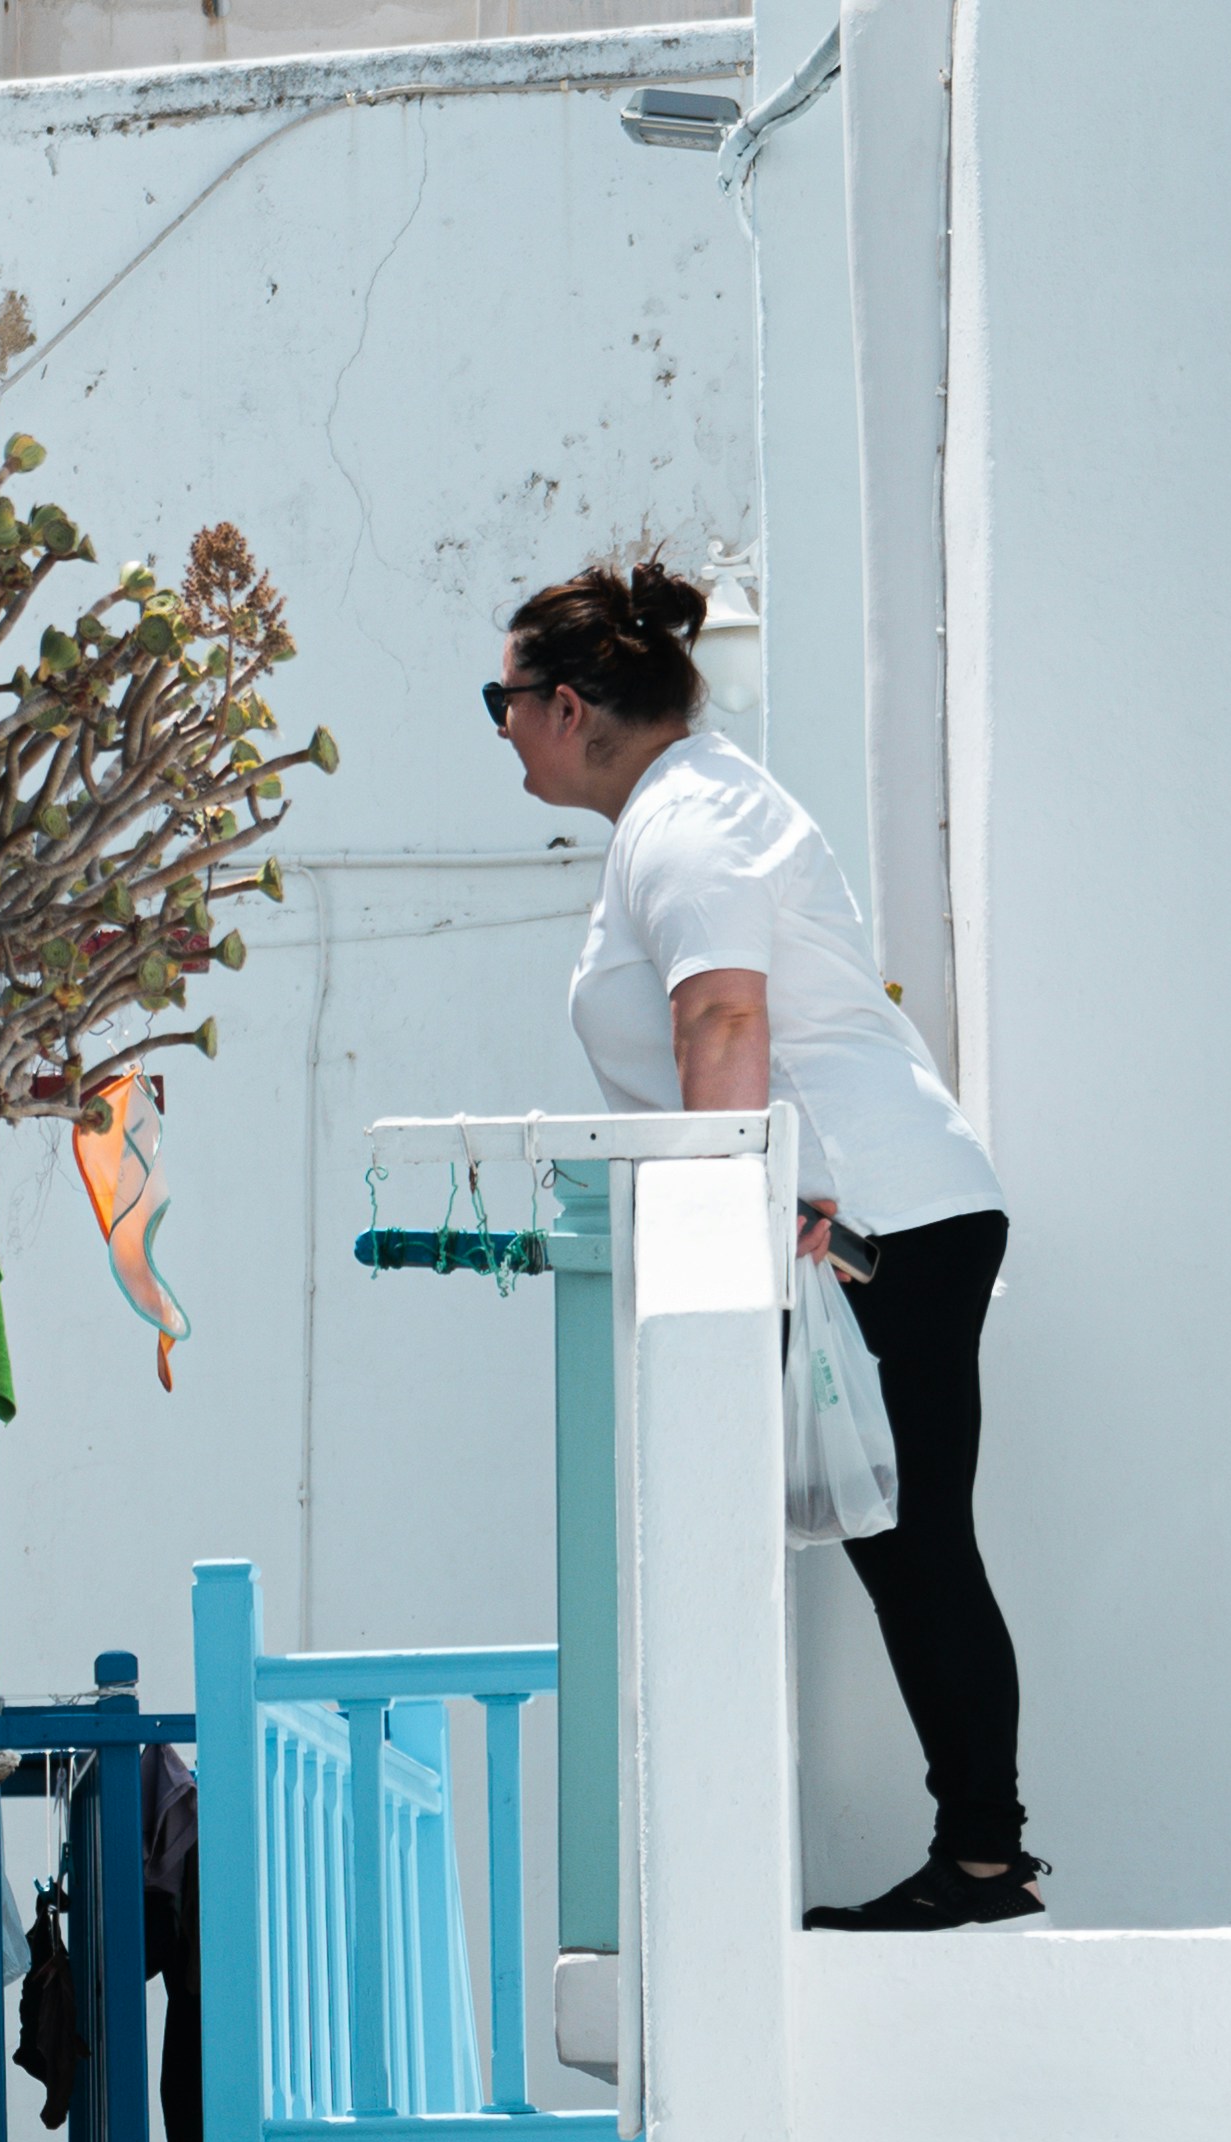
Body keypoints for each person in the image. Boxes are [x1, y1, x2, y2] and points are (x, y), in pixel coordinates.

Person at [490, 554, 1040, 1931]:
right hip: (870, 1210)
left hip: (863, 1224)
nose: (498, 727)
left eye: (499, 700)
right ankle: (976, 1854)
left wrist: (734, 1227)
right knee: (909, 1543)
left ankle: (980, 1860)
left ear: (564, 707)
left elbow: (724, 1020)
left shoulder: (687, 822)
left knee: (914, 1545)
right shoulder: (685, 811)